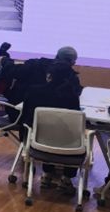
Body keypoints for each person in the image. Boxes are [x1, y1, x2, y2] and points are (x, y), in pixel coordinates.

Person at [20, 61, 82, 192]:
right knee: (74, 136)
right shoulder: (71, 96)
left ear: (49, 76)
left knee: (44, 131)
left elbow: (26, 118)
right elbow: (74, 121)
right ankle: (66, 178)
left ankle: (47, 174)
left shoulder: (33, 91)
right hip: (67, 143)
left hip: (38, 140)